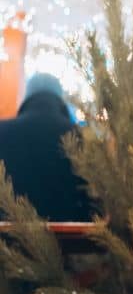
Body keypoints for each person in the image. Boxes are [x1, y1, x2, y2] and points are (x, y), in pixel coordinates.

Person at [0, 73, 93, 221]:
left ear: (25, 100)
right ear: (60, 101)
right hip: (72, 242)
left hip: (5, 240)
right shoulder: (84, 136)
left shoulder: (2, 131)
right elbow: (94, 203)